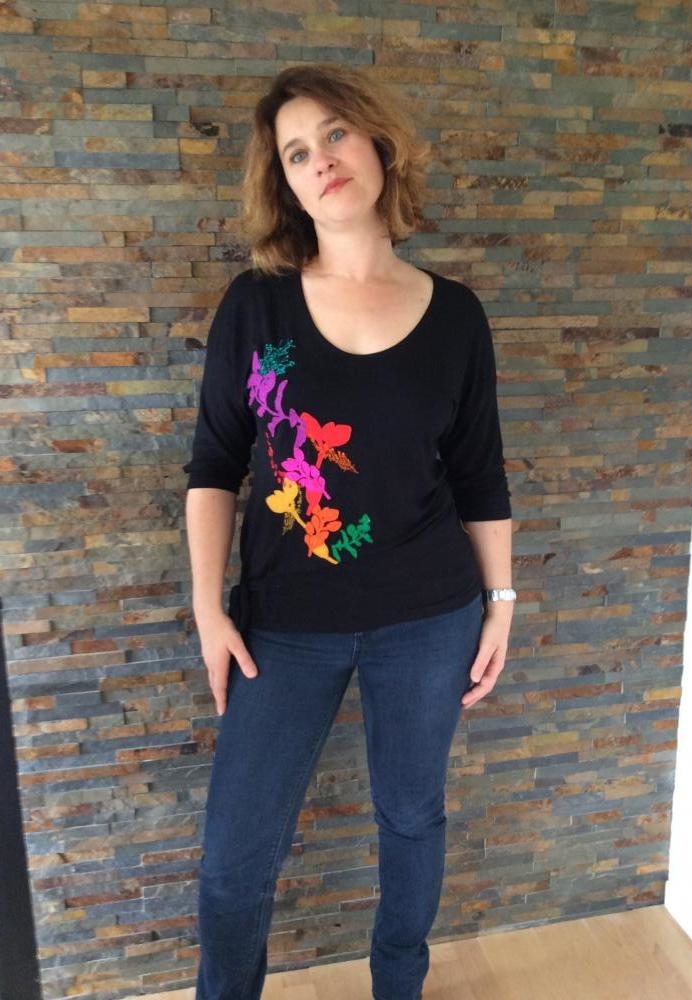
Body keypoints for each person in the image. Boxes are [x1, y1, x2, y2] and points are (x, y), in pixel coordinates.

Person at [183, 62, 515, 1000]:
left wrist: (501, 602)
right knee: (233, 862)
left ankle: (397, 987)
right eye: (296, 152)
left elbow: (480, 474)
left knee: (411, 821)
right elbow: (213, 468)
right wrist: (208, 610)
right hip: (282, 626)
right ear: (285, 184)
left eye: (334, 134)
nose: (321, 160)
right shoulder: (255, 306)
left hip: (431, 617)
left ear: (377, 143)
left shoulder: (457, 316)